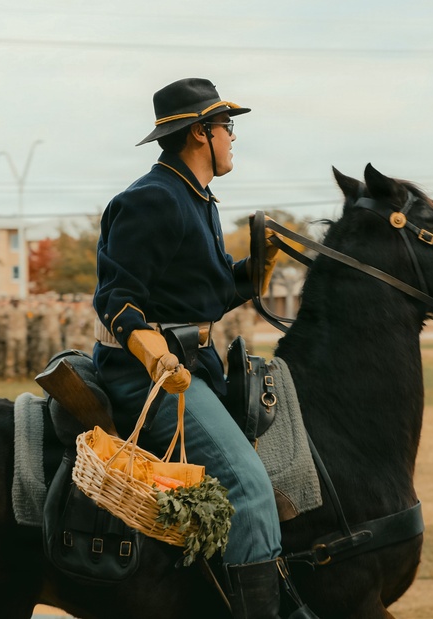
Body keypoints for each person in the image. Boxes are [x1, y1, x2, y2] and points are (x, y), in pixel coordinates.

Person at [92, 78, 309, 619]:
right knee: (249, 488)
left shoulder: (197, 197)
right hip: (152, 373)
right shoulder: (152, 199)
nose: (233, 138)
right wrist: (157, 358)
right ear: (199, 134)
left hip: (197, 364)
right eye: (226, 127)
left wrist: (260, 265)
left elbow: (207, 295)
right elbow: (117, 300)